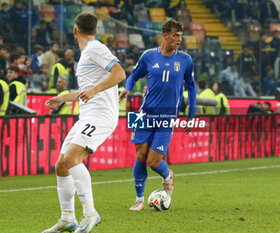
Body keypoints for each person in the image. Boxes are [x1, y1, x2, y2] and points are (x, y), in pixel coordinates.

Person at [43, 12, 125, 233]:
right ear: (95, 29)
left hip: (100, 116)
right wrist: (63, 98)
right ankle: (67, 218)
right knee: (61, 165)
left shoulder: (95, 47)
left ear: (75, 30)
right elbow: (86, 91)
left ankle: (90, 213)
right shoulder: (88, 53)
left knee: (72, 158)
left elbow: (120, 73)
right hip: (87, 115)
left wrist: (95, 89)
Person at [119, 19, 197, 211]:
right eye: (175, 35)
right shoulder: (148, 56)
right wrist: (128, 89)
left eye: (181, 36)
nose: (179, 39)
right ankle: (139, 199)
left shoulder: (185, 60)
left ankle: (167, 175)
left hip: (167, 117)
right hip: (143, 114)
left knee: (153, 161)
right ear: (165, 35)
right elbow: (133, 75)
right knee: (140, 155)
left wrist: (191, 115)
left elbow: (192, 87)